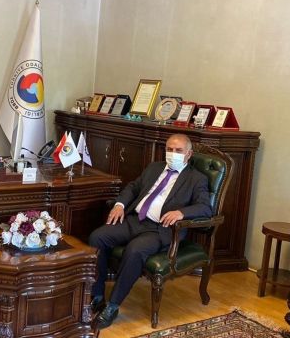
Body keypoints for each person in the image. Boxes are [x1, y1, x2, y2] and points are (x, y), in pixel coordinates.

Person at [88, 134, 212, 329]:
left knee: (135, 250)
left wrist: (181, 212)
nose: (173, 154)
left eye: (178, 151)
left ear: (189, 154)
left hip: (159, 229)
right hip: (135, 220)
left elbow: (205, 207)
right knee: (97, 237)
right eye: (169, 149)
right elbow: (133, 187)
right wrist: (120, 205)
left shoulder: (196, 179)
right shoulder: (154, 167)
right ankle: (97, 296)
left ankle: (112, 306)